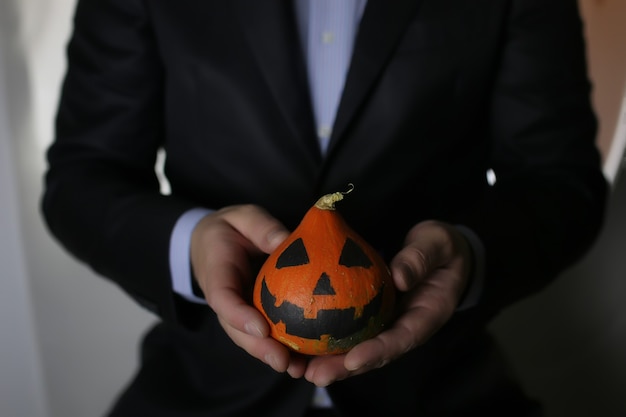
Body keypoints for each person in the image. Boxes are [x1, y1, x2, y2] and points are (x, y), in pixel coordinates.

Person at [41, 0, 608, 416]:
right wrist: (191, 245)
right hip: (202, 393)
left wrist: (470, 253)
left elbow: (561, 182)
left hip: (439, 390)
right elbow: (82, 177)